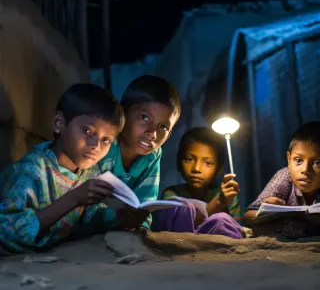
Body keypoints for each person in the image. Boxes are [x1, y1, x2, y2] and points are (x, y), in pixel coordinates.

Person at [0, 83, 125, 253]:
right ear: (59, 123)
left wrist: (122, 217)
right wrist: (74, 198)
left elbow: (89, 218)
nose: (96, 145)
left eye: (106, 140)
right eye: (87, 131)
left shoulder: (89, 172)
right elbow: (8, 233)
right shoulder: (29, 172)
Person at [98, 75, 181, 230]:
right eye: (144, 117)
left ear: (169, 134)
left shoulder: (153, 155)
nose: (152, 133)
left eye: (163, 127)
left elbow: (145, 203)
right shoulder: (104, 144)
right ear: (123, 113)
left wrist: (140, 225)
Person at [244, 121, 320, 238]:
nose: (305, 170)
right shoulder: (285, 177)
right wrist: (269, 211)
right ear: (289, 159)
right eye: (298, 160)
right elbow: (249, 216)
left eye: (317, 163)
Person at [151, 127, 243, 239]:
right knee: (180, 206)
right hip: (179, 244)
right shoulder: (172, 193)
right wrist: (219, 201)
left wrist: (224, 202)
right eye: (189, 159)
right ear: (179, 163)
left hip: (215, 250)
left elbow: (235, 229)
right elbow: (176, 227)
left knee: (222, 219)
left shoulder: (228, 195)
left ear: (218, 170)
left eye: (207, 163)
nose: (196, 168)